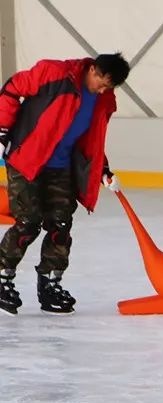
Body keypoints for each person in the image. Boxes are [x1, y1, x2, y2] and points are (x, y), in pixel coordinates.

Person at [0, 52, 130, 315]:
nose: (103, 89)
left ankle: (50, 283)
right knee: (28, 222)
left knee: (61, 224)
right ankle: (3, 277)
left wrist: (101, 168)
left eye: (109, 87)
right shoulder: (54, 73)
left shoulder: (104, 100)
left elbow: (91, 138)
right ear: (92, 69)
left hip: (60, 166)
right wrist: (2, 130)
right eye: (102, 82)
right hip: (27, 158)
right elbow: (11, 89)